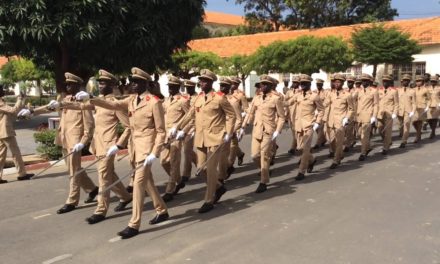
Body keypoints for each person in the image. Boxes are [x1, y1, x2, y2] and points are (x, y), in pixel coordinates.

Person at [76, 67, 169, 239]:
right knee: (147, 182)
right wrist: (92, 98)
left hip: (146, 150)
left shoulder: (154, 102)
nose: (132, 85)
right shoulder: (132, 100)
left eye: (136, 82)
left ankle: (134, 224)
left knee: (139, 184)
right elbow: (112, 104)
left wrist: (154, 152)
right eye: (132, 82)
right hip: (136, 148)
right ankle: (162, 210)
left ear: (144, 83)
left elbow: (161, 131)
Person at [54, 70, 133, 223]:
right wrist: (60, 104)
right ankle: (125, 196)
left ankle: (101, 210)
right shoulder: (99, 100)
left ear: (111, 85)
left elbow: (128, 126)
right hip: (98, 145)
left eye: (103, 83)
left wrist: (119, 145)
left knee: (103, 175)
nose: (100, 85)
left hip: (109, 146)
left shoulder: (115, 104)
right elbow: (80, 106)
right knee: (109, 174)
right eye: (100, 83)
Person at [21, 73, 98, 214]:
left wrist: (83, 142)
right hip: (64, 138)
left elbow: (89, 126)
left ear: (78, 85)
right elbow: (48, 107)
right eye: (67, 84)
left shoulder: (84, 102)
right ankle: (92, 189)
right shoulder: (65, 99)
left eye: (71, 84)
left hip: (75, 142)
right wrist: (31, 112)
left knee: (74, 171)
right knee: (73, 169)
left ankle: (72, 201)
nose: (68, 87)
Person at [177, 69, 236, 213]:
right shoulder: (198, 98)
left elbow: (231, 115)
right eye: (201, 80)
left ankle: (209, 200)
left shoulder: (219, 98)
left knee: (210, 170)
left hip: (215, 137)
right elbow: (190, 117)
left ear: (211, 82)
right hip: (201, 138)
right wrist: (179, 129)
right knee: (201, 168)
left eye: (205, 80)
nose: (202, 83)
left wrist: (228, 132)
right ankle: (219, 187)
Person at [242, 75, 285, 193]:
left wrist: (278, 130)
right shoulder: (257, 98)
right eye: (261, 84)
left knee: (264, 155)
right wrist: (243, 126)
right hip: (256, 130)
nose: (262, 86)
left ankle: (263, 182)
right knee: (255, 155)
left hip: (268, 131)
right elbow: (250, 113)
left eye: (265, 84)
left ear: (271, 86)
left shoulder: (276, 99)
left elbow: (281, 117)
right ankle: (264, 170)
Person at [160, 75, 189, 202]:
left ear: (177, 87)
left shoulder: (182, 100)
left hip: (176, 135)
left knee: (174, 162)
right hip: (165, 135)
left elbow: (190, 117)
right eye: (169, 87)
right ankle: (178, 180)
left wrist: (182, 130)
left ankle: (170, 190)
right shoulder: (166, 100)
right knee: (163, 161)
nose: (170, 89)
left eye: (172, 87)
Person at [290, 74, 324, 181]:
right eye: (301, 83)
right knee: (300, 148)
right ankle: (312, 160)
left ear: (309, 84)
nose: (302, 85)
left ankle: (301, 171)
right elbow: (287, 102)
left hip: (309, 125)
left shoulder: (314, 96)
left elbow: (322, 110)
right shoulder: (298, 95)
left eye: (305, 83)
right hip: (298, 125)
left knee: (305, 149)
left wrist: (317, 122)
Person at [0, 86, 32, 184]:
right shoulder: (0, 103)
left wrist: (22, 99)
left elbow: (14, 111)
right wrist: (19, 99)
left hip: (3, 131)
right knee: (15, 153)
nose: (3, 90)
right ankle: (22, 174)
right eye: (1, 89)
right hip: (5, 131)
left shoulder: (2, 101)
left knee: (1, 155)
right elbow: (14, 111)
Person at [324, 74, 354, 169]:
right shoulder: (330, 94)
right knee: (331, 141)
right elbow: (325, 103)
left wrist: (347, 118)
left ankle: (336, 160)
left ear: (342, 83)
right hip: (330, 120)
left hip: (340, 121)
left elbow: (351, 109)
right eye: (335, 82)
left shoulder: (347, 95)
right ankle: (340, 154)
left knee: (339, 142)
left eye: (338, 82)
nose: (336, 84)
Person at [217, 77, 242, 182]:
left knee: (226, 156)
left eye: (224, 86)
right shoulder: (216, 98)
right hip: (218, 131)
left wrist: (231, 131)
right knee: (219, 156)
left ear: (229, 87)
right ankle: (228, 167)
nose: (221, 88)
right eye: (220, 85)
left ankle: (221, 177)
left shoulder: (234, 101)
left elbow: (238, 119)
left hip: (230, 132)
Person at [356, 73, 379, 161]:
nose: (363, 82)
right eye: (362, 81)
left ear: (369, 81)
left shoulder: (374, 91)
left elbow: (376, 104)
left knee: (364, 135)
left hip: (368, 116)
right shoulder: (359, 91)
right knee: (358, 134)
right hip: (359, 116)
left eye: (365, 81)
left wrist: (374, 116)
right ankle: (368, 147)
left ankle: (363, 153)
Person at [377, 74, 399, 155]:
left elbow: (396, 103)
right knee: (380, 130)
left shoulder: (394, 91)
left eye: (386, 81)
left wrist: (394, 113)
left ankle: (385, 147)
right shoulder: (379, 90)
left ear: (390, 82)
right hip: (380, 113)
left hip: (389, 114)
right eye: (384, 81)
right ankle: (388, 141)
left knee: (387, 131)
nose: (385, 82)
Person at [229, 76, 247, 166]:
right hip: (227, 122)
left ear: (237, 85)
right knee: (231, 142)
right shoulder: (225, 94)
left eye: (234, 83)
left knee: (232, 142)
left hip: (237, 122)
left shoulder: (240, 95)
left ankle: (229, 165)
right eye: (231, 83)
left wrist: (243, 125)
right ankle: (240, 154)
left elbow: (247, 109)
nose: (232, 85)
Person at [397, 74, 416, 148]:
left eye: (407, 81)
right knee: (399, 126)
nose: (405, 82)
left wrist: (413, 111)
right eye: (404, 80)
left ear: (409, 82)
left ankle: (404, 141)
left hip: (408, 111)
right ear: (402, 81)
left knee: (406, 125)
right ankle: (402, 134)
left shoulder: (412, 91)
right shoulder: (398, 90)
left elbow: (414, 102)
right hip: (399, 110)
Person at [284, 76, 300, 155]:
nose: (294, 84)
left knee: (297, 132)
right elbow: (285, 101)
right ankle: (297, 145)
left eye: (296, 82)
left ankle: (293, 147)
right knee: (293, 132)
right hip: (291, 114)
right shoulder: (289, 92)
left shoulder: (301, 92)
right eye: (293, 82)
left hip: (299, 115)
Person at [412, 75, 431, 143]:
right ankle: (419, 132)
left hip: (422, 107)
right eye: (417, 81)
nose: (418, 82)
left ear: (422, 82)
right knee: (413, 122)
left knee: (419, 122)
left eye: (419, 81)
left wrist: (427, 106)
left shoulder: (426, 90)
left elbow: (429, 99)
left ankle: (417, 137)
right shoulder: (413, 89)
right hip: (414, 108)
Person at [313, 78, 327, 149]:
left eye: (319, 84)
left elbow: (326, 101)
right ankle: (323, 139)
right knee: (316, 128)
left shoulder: (325, 92)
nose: (318, 86)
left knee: (320, 127)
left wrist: (323, 107)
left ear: (322, 85)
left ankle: (318, 143)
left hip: (322, 111)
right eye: (317, 84)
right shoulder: (314, 92)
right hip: (315, 112)